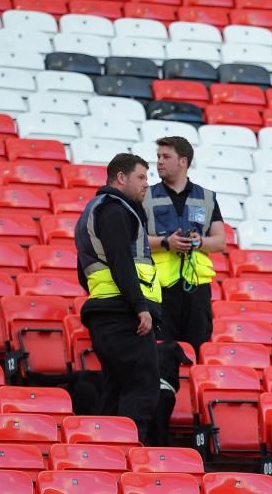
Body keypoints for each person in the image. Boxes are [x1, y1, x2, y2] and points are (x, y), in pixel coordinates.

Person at [75, 153, 163, 445]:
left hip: (105, 313)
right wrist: (140, 306)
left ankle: (106, 455)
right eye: (141, 177)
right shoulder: (115, 210)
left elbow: (84, 272)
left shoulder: (93, 211)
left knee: (115, 389)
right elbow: (121, 260)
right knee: (143, 385)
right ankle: (130, 453)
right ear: (121, 178)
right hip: (123, 313)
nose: (146, 185)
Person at [143, 136, 227, 355]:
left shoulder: (207, 197)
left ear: (183, 161)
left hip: (196, 289)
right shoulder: (145, 196)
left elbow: (220, 241)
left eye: (166, 156)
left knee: (198, 349)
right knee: (161, 351)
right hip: (159, 287)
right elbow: (134, 240)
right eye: (158, 156)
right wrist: (166, 243)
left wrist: (199, 242)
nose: (159, 161)